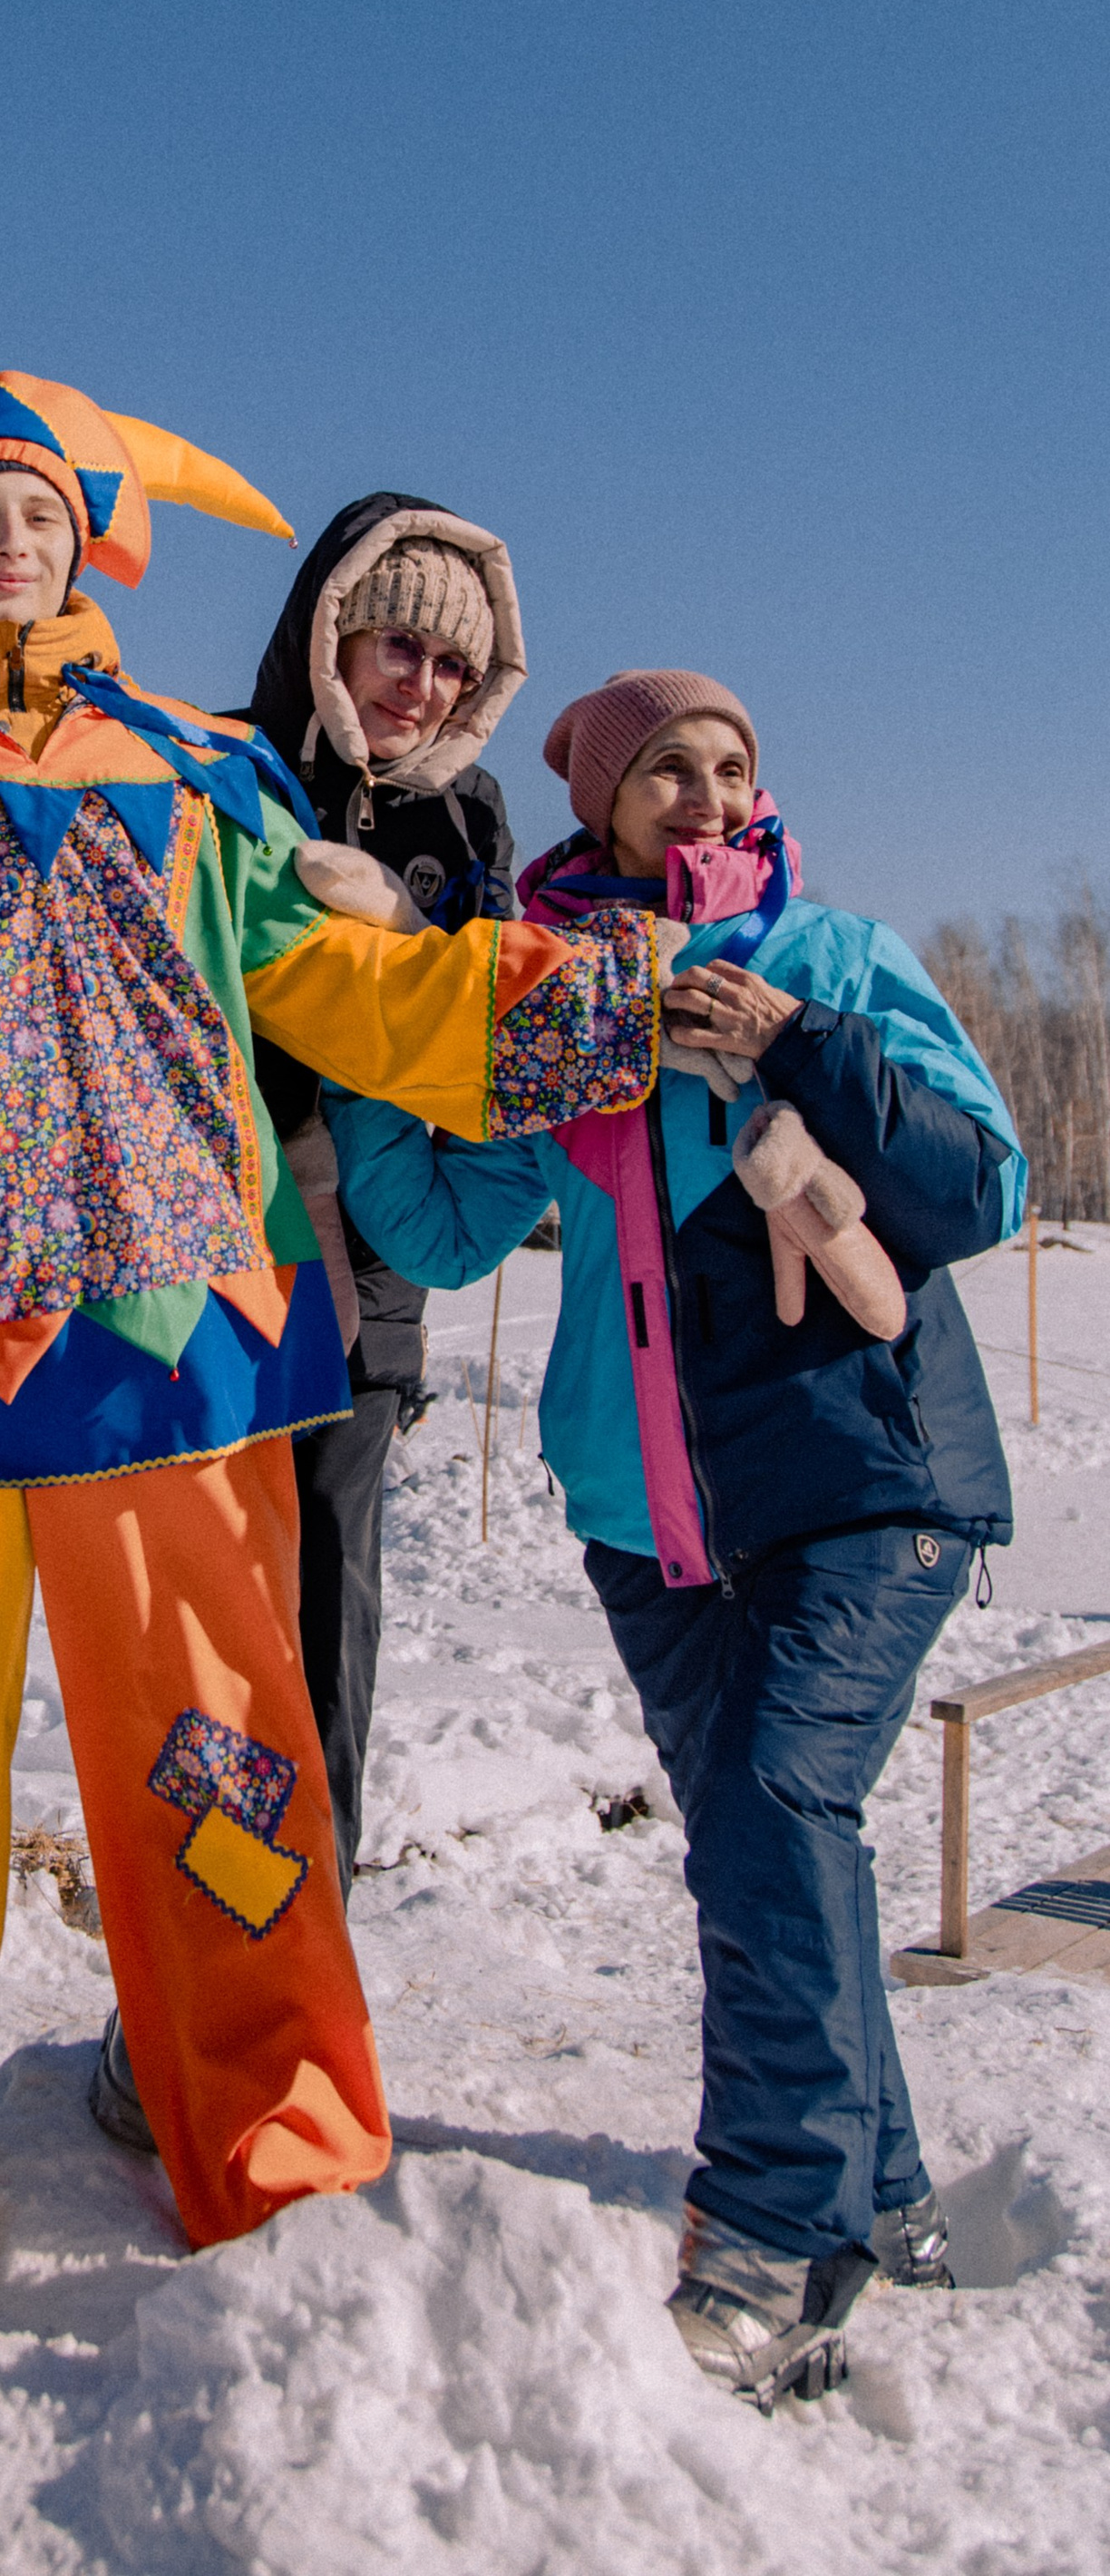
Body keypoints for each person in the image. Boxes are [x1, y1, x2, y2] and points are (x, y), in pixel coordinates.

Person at [0, 373, 668, 2368]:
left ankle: (275, 2148)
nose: (19, 549)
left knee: (220, 1763)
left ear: (100, 549)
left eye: (54, 523)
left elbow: (328, 977)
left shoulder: (188, 765)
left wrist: (578, 1004)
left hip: (187, 1342)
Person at [329, 668, 1023, 2410]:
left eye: (730, 768)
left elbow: (981, 1188)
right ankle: (889, 2191)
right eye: (668, 773)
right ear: (601, 805)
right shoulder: (561, 1006)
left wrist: (794, 1046)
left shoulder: (835, 956)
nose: (707, 797)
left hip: (866, 1483)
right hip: (651, 1522)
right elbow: (440, 1221)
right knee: (769, 1852)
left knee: (782, 1807)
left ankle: (772, 2230)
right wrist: (360, 1040)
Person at [245, 492, 527, 1892]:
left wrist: (417, 938)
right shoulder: (228, 774)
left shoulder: (470, 822)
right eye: (395, 646)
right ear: (332, 638)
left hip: (369, 1277)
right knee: (213, 1617)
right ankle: (187, 1954)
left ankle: (318, 1915)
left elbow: (475, 1048)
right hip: (220, 1260)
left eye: (451, 667)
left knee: (330, 1604)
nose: (419, 686)